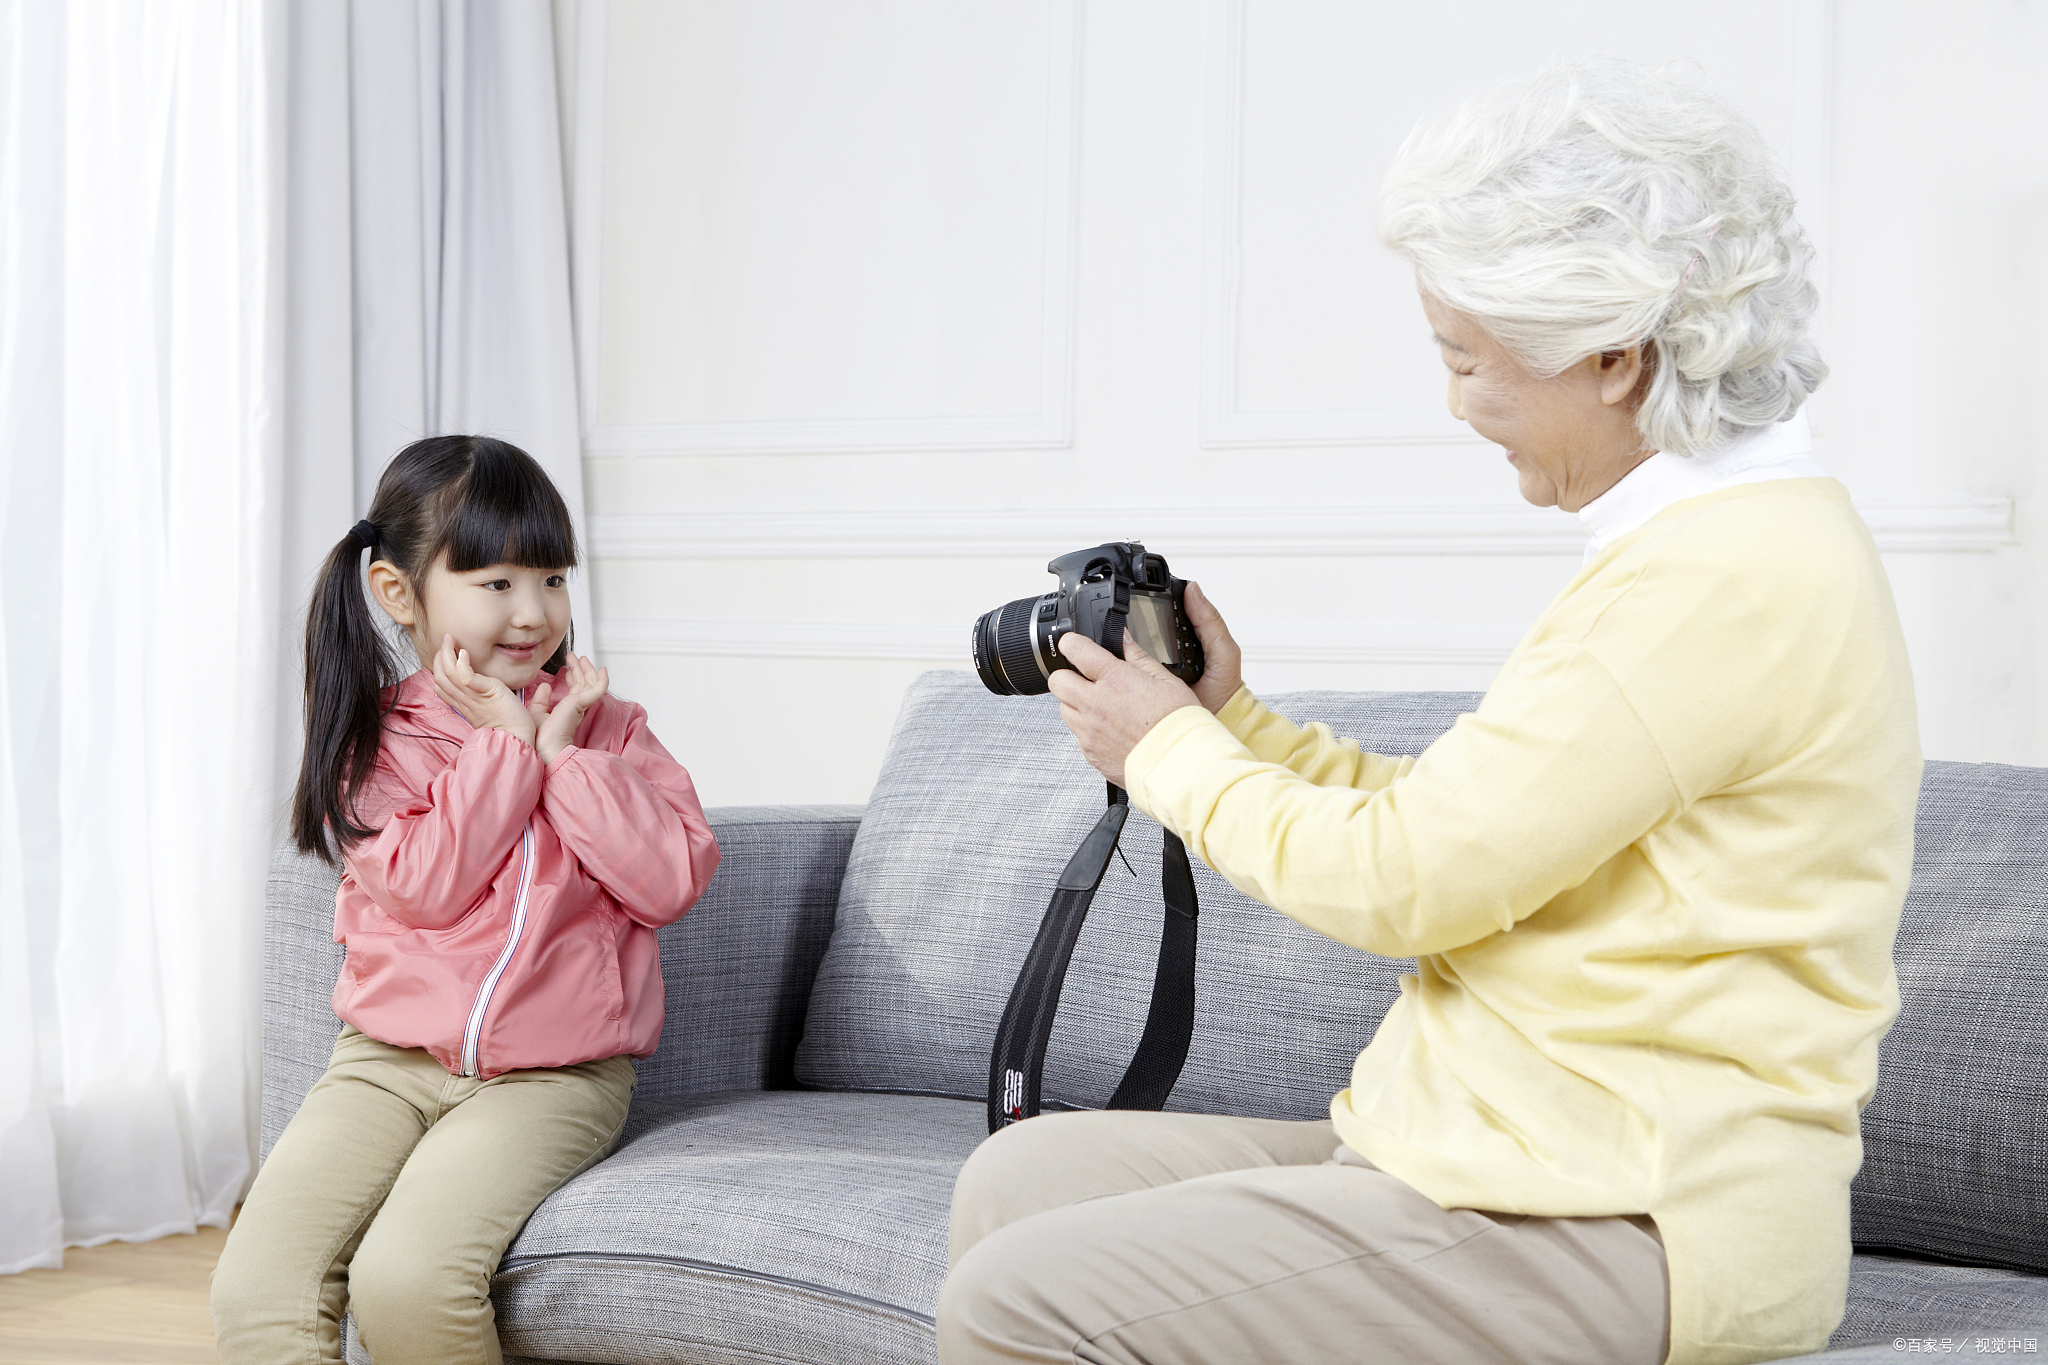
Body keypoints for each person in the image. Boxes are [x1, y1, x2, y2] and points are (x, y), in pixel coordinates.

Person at [938, 60, 1919, 1365]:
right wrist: (1233, 720)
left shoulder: (1720, 582)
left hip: (1633, 1212)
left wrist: (1166, 751)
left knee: (1017, 1297)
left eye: (1466, 358)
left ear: (1614, 355)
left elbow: (1405, 883)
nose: (1455, 403)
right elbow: (1474, 819)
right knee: (1019, 1183)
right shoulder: (1710, 546)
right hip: (1510, 1156)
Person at [211, 435, 720, 1364]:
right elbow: (426, 887)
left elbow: (670, 878)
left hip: (554, 1077)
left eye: (553, 579)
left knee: (408, 1281)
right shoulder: (378, 742)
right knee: (258, 1287)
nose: (534, 613)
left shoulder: (609, 729)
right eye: (496, 583)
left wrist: (563, 759)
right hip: (385, 1063)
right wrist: (507, 746)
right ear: (398, 594)